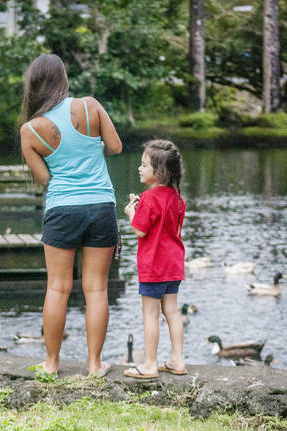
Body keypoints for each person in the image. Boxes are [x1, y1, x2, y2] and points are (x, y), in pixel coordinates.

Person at [19, 53, 122, 377]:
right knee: (96, 289)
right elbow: (116, 146)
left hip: (62, 208)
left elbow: (45, 179)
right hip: (100, 206)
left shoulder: (29, 130)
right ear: (62, 79)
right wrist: (89, 148)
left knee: (57, 288)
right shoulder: (90, 106)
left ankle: (51, 364)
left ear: (33, 86)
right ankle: (94, 364)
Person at [122, 139, 187, 379]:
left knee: (150, 314)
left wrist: (131, 212)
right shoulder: (178, 198)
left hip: (153, 266)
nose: (140, 168)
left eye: (144, 165)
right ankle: (178, 361)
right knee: (172, 311)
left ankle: (150, 364)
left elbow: (140, 230)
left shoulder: (148, 198)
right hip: (173, 265)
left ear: (159, 172)